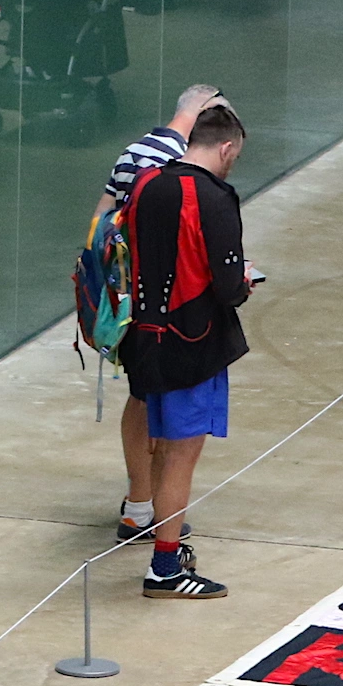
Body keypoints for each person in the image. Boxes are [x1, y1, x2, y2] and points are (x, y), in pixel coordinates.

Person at [124, 99, 254, 598]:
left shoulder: (147, 183)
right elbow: (227, 284)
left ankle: (159, 534)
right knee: (181, 454)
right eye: (233, 155)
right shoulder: (214, 196)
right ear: (225, 147)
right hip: (192, 341)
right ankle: (165, 568)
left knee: (158, 441)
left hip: (145, 337)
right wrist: (242, 283)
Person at [97, 83, 224, 542]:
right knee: (175, 415)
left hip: (127, 299)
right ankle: (154, 515)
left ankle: (138, 503)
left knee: (141, 396)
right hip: (166, 309)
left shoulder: (136, 152)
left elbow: (101, 220)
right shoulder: (181, 165)